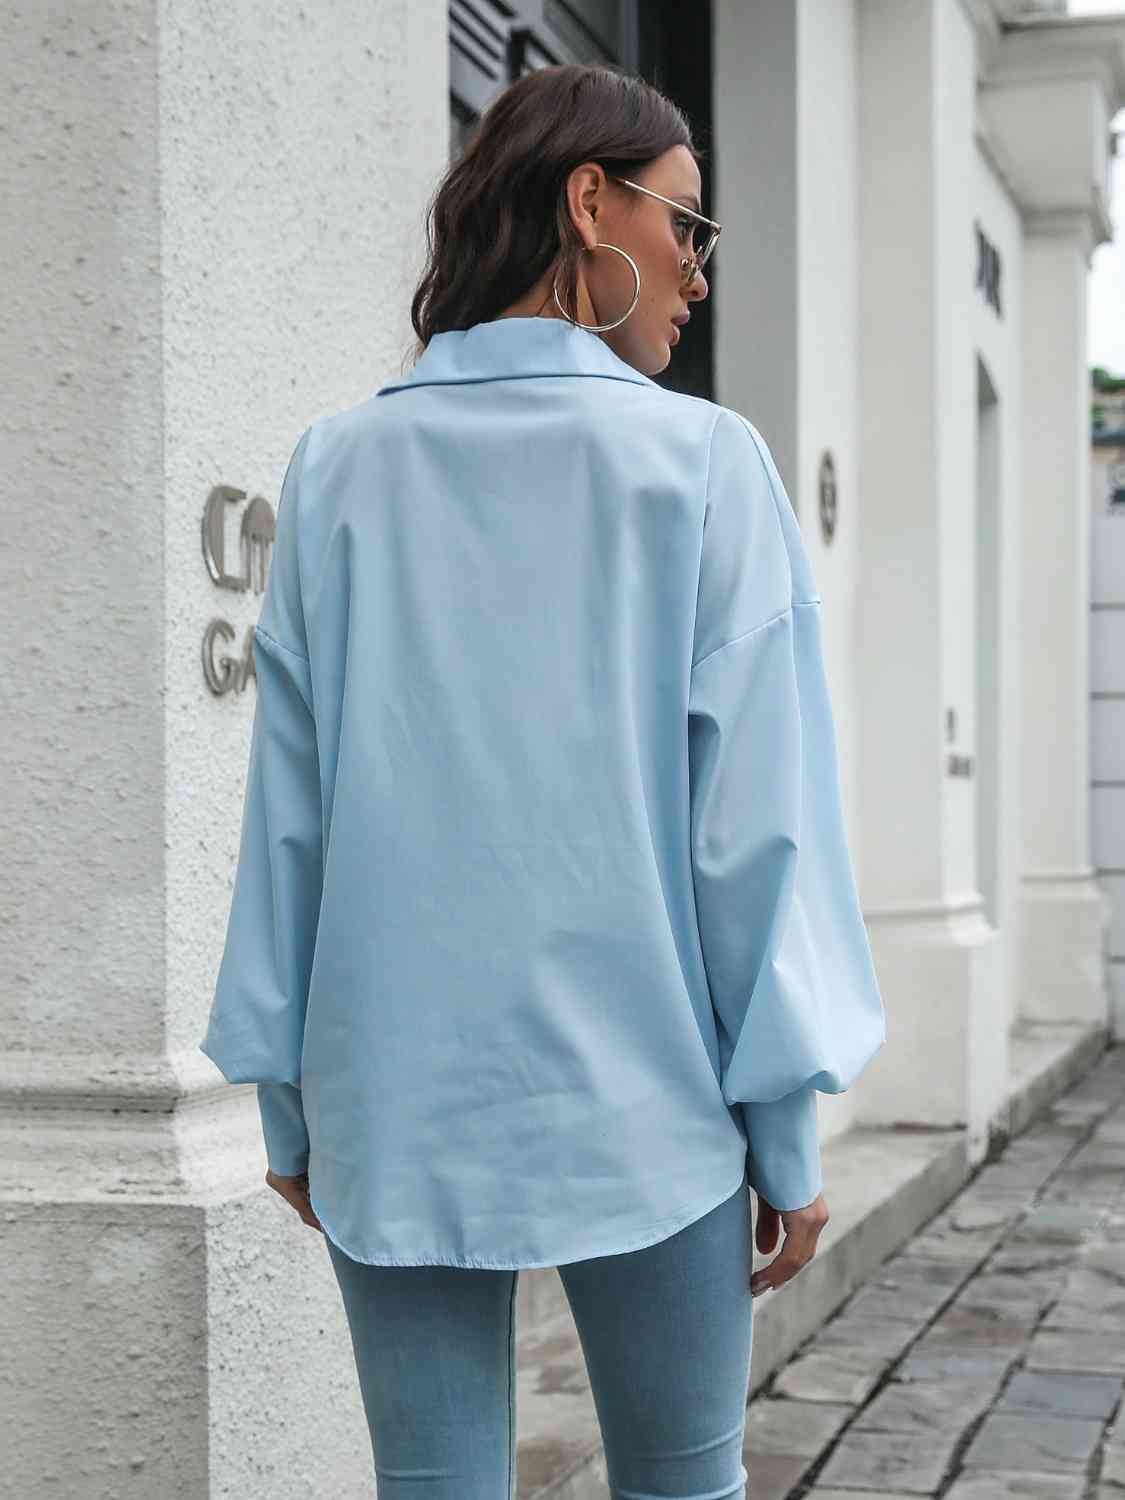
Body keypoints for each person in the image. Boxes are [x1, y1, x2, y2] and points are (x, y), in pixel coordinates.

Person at [199, 61, 885, 1500]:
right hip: (653, 1103)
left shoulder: (340, 468)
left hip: (395, 1094)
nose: (696, 271)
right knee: (682, 1482)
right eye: (685, 224)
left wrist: (289, 1101)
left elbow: (291, 816)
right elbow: (752, 834)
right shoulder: (703, 466)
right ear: (589, 203)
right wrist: (783, 1129)